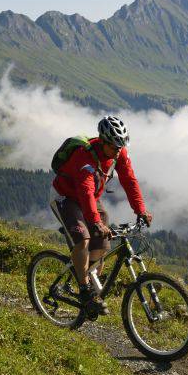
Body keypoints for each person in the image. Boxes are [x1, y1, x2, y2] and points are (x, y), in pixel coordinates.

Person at [52, 115, 153, 316]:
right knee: (83, 240)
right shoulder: (84, 156)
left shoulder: (119, 153)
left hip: (90, 199)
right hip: (66, 197)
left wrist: (140, 210)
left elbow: (130, 181)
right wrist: (95, 222)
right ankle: (84, 290)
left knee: (102, 245)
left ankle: (86, 278)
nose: (118, 151)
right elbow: (85, 192)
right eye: (114, 146)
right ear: (103, 141)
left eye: (121, 146)